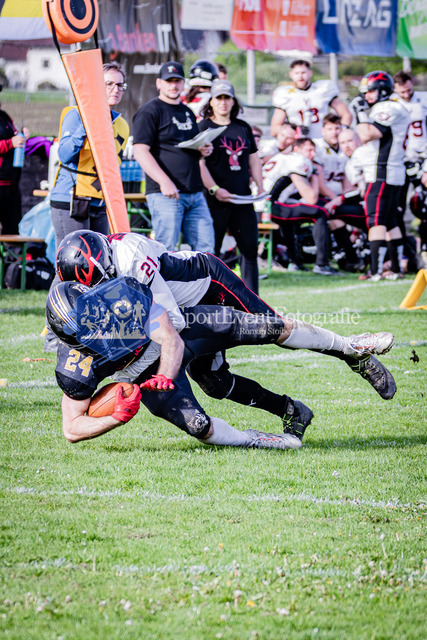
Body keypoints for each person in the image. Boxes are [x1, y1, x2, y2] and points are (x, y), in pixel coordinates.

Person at [55, 229, 397, 414]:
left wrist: (129, 368)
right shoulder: (85, 275)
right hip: (180, 310)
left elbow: (171, 323)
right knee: (214, 383)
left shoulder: (131, 258)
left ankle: (352, 351)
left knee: (275, 329)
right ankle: (291, 411)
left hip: (207, 285)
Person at [47, 276, 396, 450]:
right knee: (201, 427)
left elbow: (170, 338)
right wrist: (115, 417)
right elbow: (71, 428)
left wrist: (167, 374)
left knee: (270, 327)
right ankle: (273, 434)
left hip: (180, 334)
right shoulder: (75, 366)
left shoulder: (121, 297)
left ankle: (351, 349)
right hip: (144, 375)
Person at [44, 61, 129, 352]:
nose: (115, 89)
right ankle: (54, 333)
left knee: (102, 266)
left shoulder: (122, 125)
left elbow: (112, 169)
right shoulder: (75, 114)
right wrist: (87, 123)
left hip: (100, 201)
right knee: (69, 267)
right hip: (69, 199)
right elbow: (65, 154)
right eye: (108, 84)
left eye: (119, 84)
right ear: (95, 87)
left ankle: (89, 329)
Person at [132, 61, 215, 253]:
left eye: (177, 81)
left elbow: (188, 146)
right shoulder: (150, 111)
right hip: (165, 194)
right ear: (159, 83)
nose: (173, 85)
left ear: (184, 83)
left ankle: (200, 276)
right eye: (169, 81)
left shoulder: (187, 112)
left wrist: (202, 149)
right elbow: (140, 151)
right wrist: (164, 182)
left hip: (194, 192)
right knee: (165, 250)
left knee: (205, 250)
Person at [198, 79, 263, 293]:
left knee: (249, 251)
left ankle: (253, 301)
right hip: (214, 200)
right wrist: (215, 189)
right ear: (211, 101)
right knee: (212, 253)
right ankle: (210, 299)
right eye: (219, 98)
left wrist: (260, 186)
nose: (223, 102)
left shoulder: (242, 127)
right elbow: (199, 163)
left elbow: (253, 159)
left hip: (242, 198)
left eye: (227, 98)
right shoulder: (203, 127)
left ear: (234, 101)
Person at [350, 70, 412, 281]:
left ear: (383, 90)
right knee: (390, 220)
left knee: (375, 220)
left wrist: (360, 113)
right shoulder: (391, 106)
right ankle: (395, 268)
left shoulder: (388, 107)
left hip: (382, 171)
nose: (366, 96)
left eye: (371, 91)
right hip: (391, 171)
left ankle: (375, 271)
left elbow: (367, 134)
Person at [260, 138, 336, 275]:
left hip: (259, 206)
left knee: (290, 218)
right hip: (268, 207)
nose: (312, 154)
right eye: (309, 150)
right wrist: (315, 174)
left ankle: (295, 262)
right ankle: (322, 264)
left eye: (314, 151)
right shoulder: (298, 160)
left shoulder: (282, 158)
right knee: (320, 212)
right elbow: (311, 198)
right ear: (296, 149)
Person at [314, 114, 365, 271]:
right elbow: (319, 183)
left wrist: (341, 199)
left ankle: (351, 257)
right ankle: (325, 261)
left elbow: (348, 185)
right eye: (330, 129)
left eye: (337, 128)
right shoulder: (317, 147)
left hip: (339, 197)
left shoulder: (347, 151)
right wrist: (336, 199)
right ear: (323, 131)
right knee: (329, 214)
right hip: (321, 195)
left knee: (339, 217)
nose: (334, 132)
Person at [270, 59, 352, 138]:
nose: (300, 76)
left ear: (310, 73)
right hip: (299, 142)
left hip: (323, 140)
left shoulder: (323, 89)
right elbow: (274, 129)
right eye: (296, 73)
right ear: (291, 75)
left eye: (303, 72)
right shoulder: (285, 94)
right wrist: (295, 129)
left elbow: (346, 114)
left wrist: (342, 131)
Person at [0, 84, 30, 234]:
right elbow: (10, 142)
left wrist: (22, 136)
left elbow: (15, 137)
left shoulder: (4, 116)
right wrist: (10, 143)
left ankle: (11, 251)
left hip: (11, 182)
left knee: (12, 228)